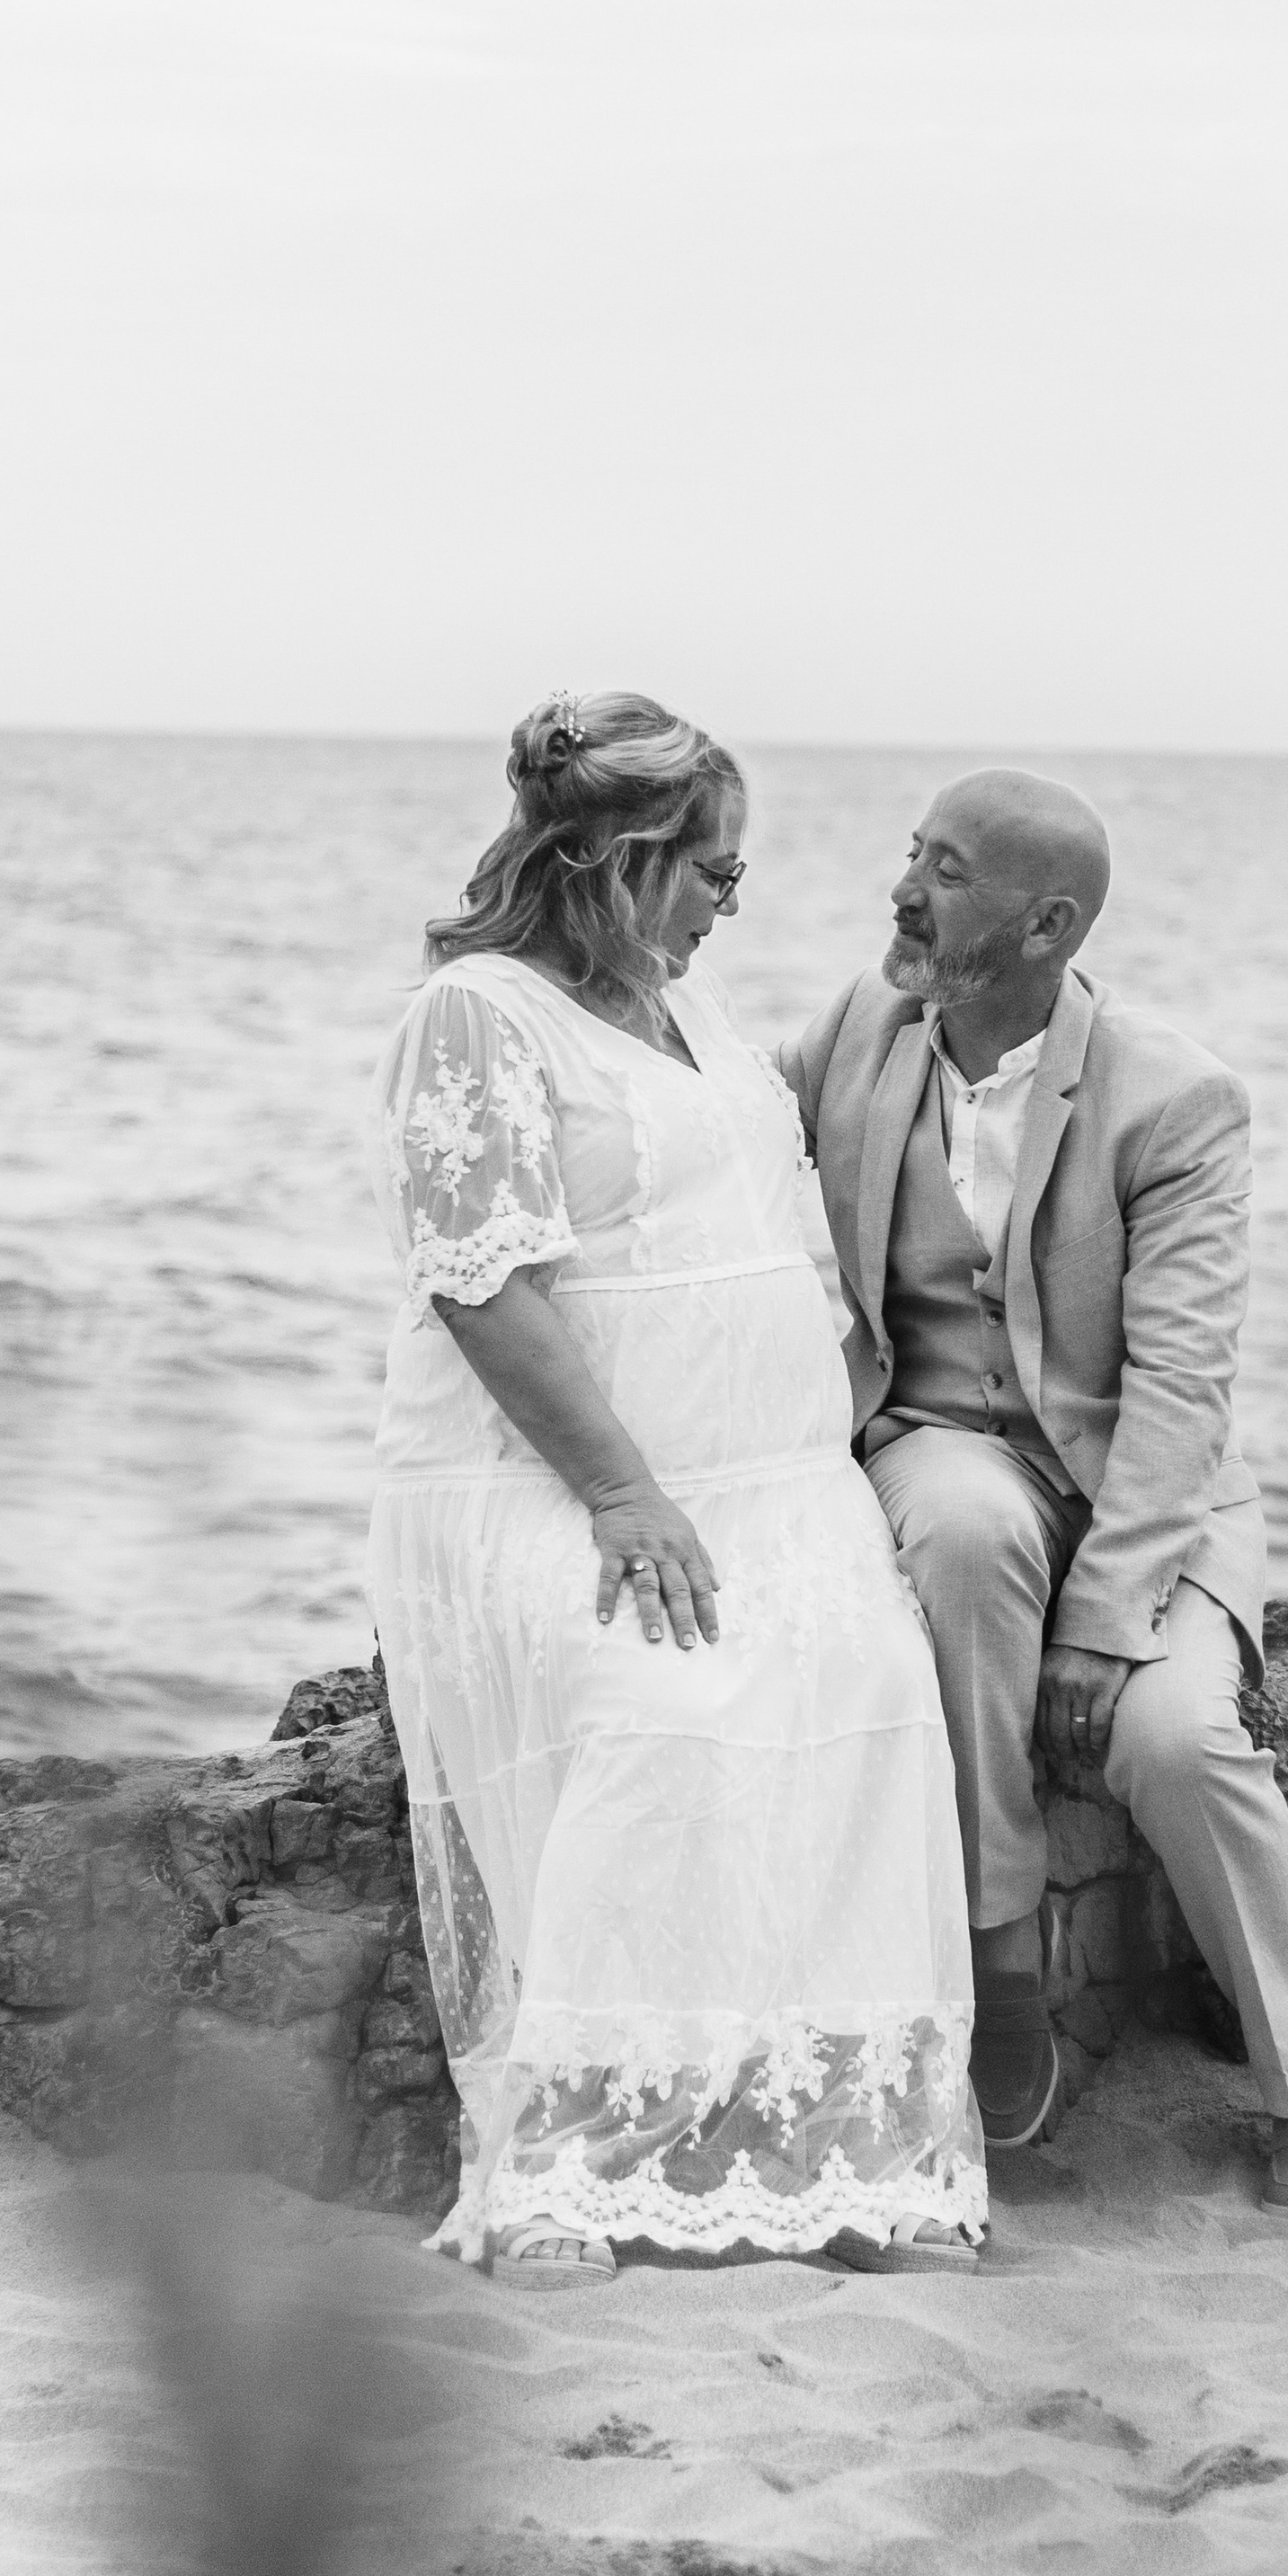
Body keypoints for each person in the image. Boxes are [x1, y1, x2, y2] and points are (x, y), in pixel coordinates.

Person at [365, 692, 987, 2284]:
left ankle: (851, 2151)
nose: (730, 901)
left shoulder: (691, 1013)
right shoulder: (480, 1018)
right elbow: (483, 1285)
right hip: (558, 1485)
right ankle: (579, 2160)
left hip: (776, 1488)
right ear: (623, 862)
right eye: (714, 871)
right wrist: (628, 1495)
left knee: (863, 1694)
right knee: (668, 1708)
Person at [778, 768, 1288, 2209]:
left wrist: (1108, 1621)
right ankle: (1001, 1973)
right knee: (972, 1536)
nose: (906, 889)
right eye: (913, 852)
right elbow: (698, 1130)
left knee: (1172, 1740)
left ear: (1047, 925)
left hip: (1143, 1496)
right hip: (942, 1443)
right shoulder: (861, 1027)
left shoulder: (1177, 1097)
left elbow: (1180, 1392)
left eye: (950, 870)